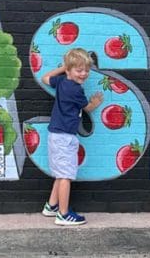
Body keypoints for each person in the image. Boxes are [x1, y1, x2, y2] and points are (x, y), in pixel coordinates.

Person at [39, 48, 103, 226]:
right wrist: (95, 103)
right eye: (79, 70)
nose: (84, 74)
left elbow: (44, 78)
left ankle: (52, 206)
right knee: (66, 175)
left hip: (56, 134)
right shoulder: (75, 90)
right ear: (69, 70)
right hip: (65, 137)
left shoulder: (60, 81)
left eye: (86, 70)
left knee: (60, 174)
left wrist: (63, 69)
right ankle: (63, 214)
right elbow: (87, 108)